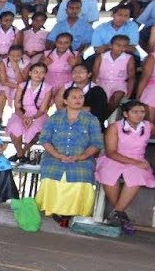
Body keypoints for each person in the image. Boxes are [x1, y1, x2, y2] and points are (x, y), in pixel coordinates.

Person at [36, 86, 104, 228]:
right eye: (74, 97)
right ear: (65, 100)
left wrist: (82, 156)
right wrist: (57, 154)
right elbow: (44, 139)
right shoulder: (55, 117)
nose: (78, 100)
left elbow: (97, 143)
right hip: (54, 156)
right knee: (51, 171)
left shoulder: (91, 120)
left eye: (81, 97)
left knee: (82, 172)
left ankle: (71, 213)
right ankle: (53, 210)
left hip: (82, 158)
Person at [95, 101, 155, 235]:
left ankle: (116, 214)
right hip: (115, 157)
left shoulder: (148, 126)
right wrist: (133, 162)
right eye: (135, 112)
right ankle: (121, 215)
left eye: (142, 112)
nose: (139, 115)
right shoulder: (114, 127)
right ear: (125, 114)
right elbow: (111, 152)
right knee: (107, 174)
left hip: (138, 159)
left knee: (136, 176)